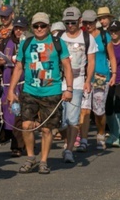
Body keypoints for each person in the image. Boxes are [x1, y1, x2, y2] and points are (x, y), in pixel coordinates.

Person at [7, 12, 73, 174]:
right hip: (30, 90)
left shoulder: (58, 43)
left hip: (52, 91)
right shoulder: (26, 43)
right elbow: (19, 67)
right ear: (32, 27)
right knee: (26, 125)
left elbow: (67, 66)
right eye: (36, 26)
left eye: (43, 26)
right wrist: (11, 90)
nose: (39, 28)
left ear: (49, 27)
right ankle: (31, 157)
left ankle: (43, 160)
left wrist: (69, 88)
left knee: (46, 129)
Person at [56, 6, 96, 162]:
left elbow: (91, 61)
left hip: (78, 83)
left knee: (72, 119)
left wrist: (88, 80)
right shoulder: (58, 37)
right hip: (59, 82)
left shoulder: (87, 38)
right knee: (61, 122)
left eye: (73, 22)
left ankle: (68, 150)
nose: (70, 26)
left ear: (80, 21)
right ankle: (67, 141)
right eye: (67, 23)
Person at [78, 9, 116, 150]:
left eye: (91, 22)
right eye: (85, 22)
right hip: (85, 77)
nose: (88, 25)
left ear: (96, 22)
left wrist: (114, 74)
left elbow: (111, 57)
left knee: (99, 111)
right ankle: (84, 140)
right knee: (84, 110)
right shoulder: (81, 37)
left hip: (101, 76)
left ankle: (100, 135)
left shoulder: (104, 36)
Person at [0, 16, 27, 157]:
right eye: (16, 28)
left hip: (24, 84)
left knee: (21, 114)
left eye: (21, 28)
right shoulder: (6, 42)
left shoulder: (28, 43)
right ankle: (13, 141)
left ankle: (19, 145)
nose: (18, 31)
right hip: (8, 84)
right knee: (11, 114)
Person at [106, 20, 120, 147]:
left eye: (116, 30)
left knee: (118, 107)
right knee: (108, 107)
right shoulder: (107, 44)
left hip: (119, 79)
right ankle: (113, 133)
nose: (114, 33)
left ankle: (118, 135)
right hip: (108, 79)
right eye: (112, 30)